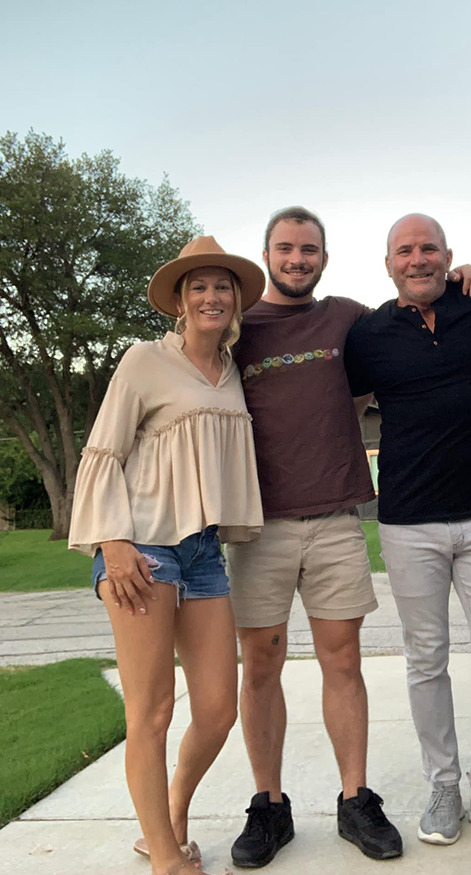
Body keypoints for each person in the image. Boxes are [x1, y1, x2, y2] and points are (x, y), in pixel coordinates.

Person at [343, 213, 471, 850]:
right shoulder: (368, 335)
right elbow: (340, 412)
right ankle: (444, 784)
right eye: (404, 250)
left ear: (449, 256)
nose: (418, 258)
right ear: (388, 265)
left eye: (429, 248)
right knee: (426, 660)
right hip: (408, 523)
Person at [68, 236, 265, 875]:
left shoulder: (236, 369)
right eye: (198, 287)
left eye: (223, 286)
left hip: (203, 553)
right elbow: (104, 451)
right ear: (178, 302)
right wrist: (112, 541)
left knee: (217, 709)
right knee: (150, 712)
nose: (212, 296)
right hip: (141, 546)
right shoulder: (144, 360)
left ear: (236, 299)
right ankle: (164, 856)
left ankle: (171, 812)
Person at [226, 207, 403, 866]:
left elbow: (413, 329)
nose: (297, 259)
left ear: (324, 256)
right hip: (257, 524)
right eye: (286, 248)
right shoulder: (237, 326)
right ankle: (269, 806)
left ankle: (355, 800)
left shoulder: (349, 318)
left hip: (333, 518)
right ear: (267, 253)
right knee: (261, 666)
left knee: (343, 662)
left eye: (309, 249)